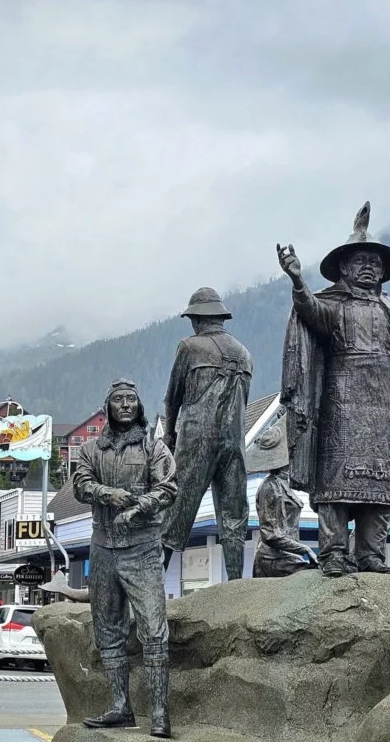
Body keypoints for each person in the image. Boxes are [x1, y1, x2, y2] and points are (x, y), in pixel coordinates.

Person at [278, 203, 390, 578]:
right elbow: (309, 309)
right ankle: (332, 553)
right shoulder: (334, 308)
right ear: (344, 267)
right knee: (335, 489)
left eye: (374, 263)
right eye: (360, 260)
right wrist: (297, 280)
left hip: (383, 414)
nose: (368, 267)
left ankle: (371, 555)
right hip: (341, 409)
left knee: (380, 493)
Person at [73, 378, 177, 738]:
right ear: (108, 407)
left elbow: (168, 488)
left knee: (153, 628)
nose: (126, 405)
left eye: (132, 399)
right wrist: (107, 494)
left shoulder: (153, 446)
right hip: (102, 548)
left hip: (143, 547)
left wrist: (137, 509)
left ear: (139, 406)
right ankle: (121, 706)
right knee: (108, 630)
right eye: (119, 400)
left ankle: (161, 712)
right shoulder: (90, 450)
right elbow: (81, 485)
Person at [161, 287, 253, 580]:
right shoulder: (245, 354)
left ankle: (153, 581)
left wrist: (170, 437)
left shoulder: (190, 347)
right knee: (234, 511)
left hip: (196, 441)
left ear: (196, 319)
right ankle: (236, 582)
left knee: (176, 510)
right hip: (235, 443)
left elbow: (172, 398)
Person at [246, 418, 318, 578]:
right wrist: (303, 549)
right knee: (315, 579)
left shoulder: (283, 483)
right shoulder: (270, 486)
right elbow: (270, 533)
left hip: (287, 555)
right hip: (273, 557)